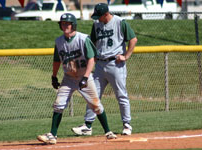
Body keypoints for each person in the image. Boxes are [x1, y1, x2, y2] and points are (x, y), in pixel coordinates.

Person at [37, 13, 117, 145]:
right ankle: (52, 135)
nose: (65, 26)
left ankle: (108, 132)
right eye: (62, 23)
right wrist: (53, 76)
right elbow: (57, 60)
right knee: (59, 104)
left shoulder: (83, 39)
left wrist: (86, 77)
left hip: (84, 76)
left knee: (96, 105)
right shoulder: (59, 41)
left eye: (67, 23)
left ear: (73, 25)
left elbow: (92, 59)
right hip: (68, 78)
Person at [71, 3, 137, 136]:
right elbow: (92, 44)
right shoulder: (96, 24)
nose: (97, 18)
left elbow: (133, 39)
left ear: (106, 14)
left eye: (99, 16)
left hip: (115, 64)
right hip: (100, 64)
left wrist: (126, 56)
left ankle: (127, 125)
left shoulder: (120, 22)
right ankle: (88, 125)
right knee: (92, 94)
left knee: (121, 95)